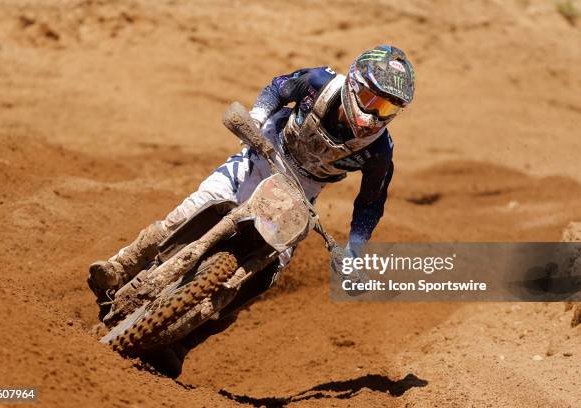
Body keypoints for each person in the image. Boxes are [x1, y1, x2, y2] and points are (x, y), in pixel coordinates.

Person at [88, 44, 415, 306]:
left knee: (266, 274)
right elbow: (278, 89)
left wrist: (355, 251)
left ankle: (183, 342)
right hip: (263, 155)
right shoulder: (320, 82)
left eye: (388, 109)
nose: (375, 115)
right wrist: (257, 118)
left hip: (302, 193)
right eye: (373, 100)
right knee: (195, 207)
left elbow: (371, 203)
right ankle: (121, 264)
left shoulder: (379, 152)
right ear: (355, 83)